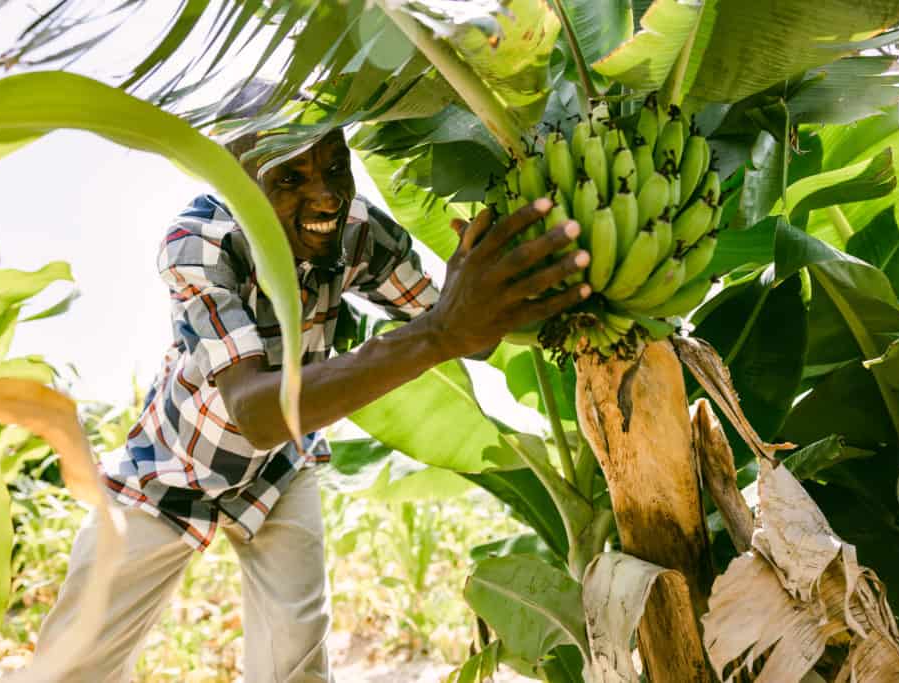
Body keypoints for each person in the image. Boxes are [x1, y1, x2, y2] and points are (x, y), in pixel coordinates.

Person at [34, 82, 591, 682]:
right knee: (72, 662)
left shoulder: (357, 231)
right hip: (175, 467)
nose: (325, 195)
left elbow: (468, 330)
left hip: (278, 468)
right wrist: (438, 334)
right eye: (291, 179)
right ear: (240, 185)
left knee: (295, 662)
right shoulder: (199, 242)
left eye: (333, 165)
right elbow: (255, 410)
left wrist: (499, 279)